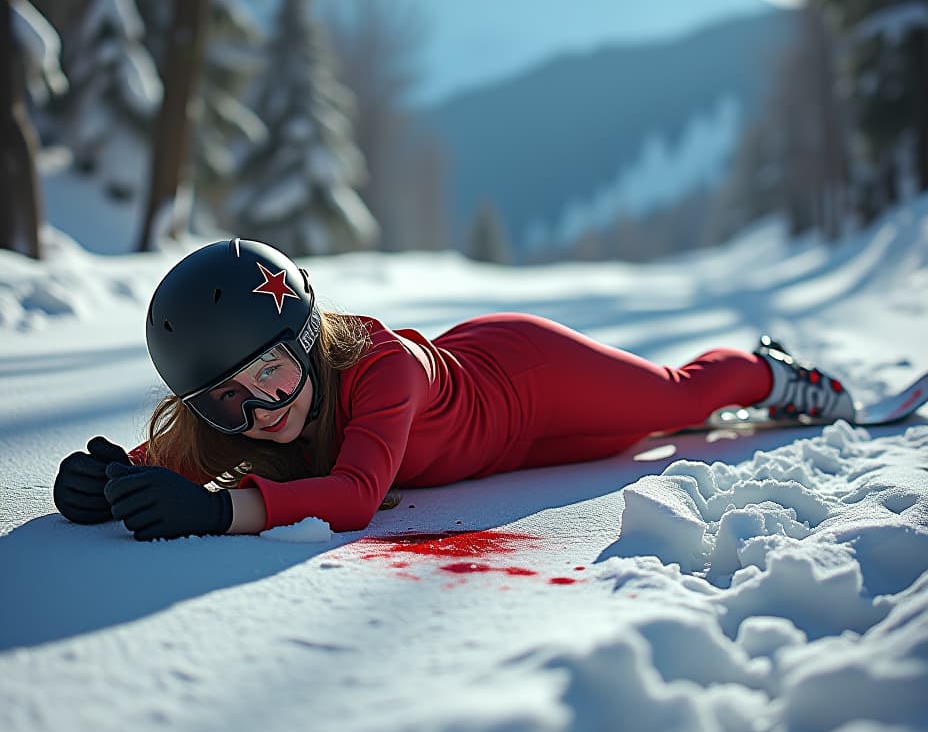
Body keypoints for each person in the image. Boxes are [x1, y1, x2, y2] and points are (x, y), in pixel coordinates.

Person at [53, 239, 856, 541]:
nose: (263, 411)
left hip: (529, 379)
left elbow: (356, 496)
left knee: (675, 405)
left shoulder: (382, 368)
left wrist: (221, 511)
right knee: (623, 447)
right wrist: (109, 479)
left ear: (306, 339)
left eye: (273, 373)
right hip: (503, 457)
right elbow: (176, 458)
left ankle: (774, 372)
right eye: (229, 401)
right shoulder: (254, 408)